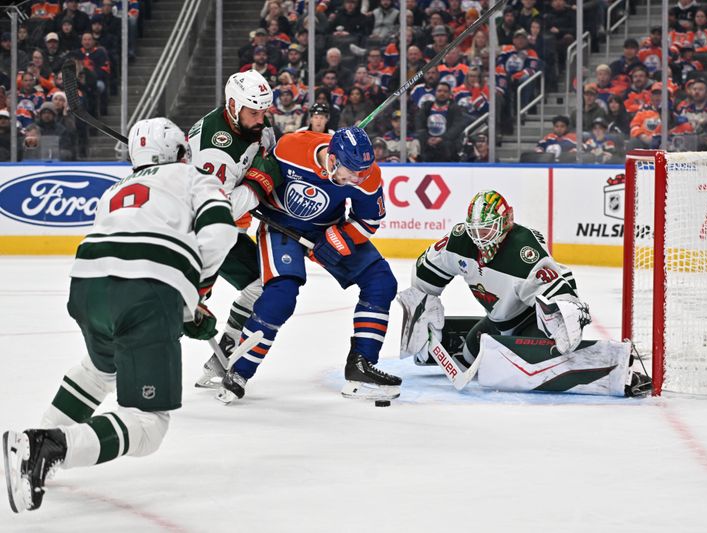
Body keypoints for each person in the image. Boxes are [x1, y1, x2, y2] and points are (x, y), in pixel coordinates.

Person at [2, 117, 237, 514]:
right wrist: (193, 294)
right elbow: (220, 233)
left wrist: (179, 302)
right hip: (147, 287)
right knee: (148, 425)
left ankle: (33, 438)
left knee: (99, 367)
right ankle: (48, 447)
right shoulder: (195, 177)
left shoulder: (114, 189)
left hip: (87, 284)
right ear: (182, 152)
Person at [396, 190, 651, 397]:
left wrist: (564, 312)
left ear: (506, 221)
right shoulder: (461, 240)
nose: (479, 239)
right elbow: (427, 271)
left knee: (529, 368)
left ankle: (620, 374)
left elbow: (559, 287)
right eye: (475, 231)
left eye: (485, 230)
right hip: (498, 322)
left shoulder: (524, 249)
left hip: (532, 324)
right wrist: (423, 305)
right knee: (468, 358)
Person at [215, 127, 402, 403]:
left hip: (327, 229)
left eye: (361, 172)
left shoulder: (366, 173)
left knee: (381, 282)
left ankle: (360, 366)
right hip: (279, 225)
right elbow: (260, 175)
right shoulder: (293, 147)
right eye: (351, 171)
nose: (357, 178)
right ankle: (239, 371)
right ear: (333, 159)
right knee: (281, 296)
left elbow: (369, 221)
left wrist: (339, 239)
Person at [189, 70, 278, 389]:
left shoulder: (248, 121)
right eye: (254, 112)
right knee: (183, 305)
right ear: (232, 105)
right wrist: (258, 183)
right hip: (197, 233)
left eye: (264, 112)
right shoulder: (216, 150)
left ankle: (225, 350)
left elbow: (265, 147)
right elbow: (217, 208)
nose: (261, 119)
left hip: (220, 231)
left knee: (263, 282)